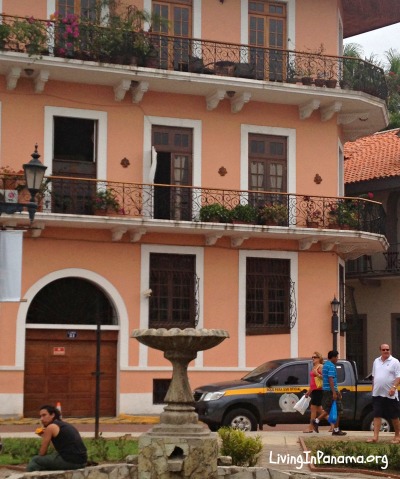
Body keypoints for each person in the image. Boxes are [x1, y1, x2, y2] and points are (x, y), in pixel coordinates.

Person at [26, 405, 87, 472]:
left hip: (71, 462)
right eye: (40, 416)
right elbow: (57, 448)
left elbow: (42, 453)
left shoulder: (51, 427)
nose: (41, 419)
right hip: (82, 461)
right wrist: (44, 436)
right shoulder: (63, 424)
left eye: (44, 415)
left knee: (35, 460)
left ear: (52, 415)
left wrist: (46, 435)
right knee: (53, 455)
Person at [367, 344, 400, 444]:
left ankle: (397, 436)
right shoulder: (376, 361)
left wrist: (394, 387)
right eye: (384, 349)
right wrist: (373, 389)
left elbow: (398, 377)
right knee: (377, 415)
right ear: (380, 350)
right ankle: (375, 437)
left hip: (390, 394)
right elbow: (374, 376)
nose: (386, 351)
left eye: (387, 349)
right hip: (377, 394)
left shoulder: (395, 362)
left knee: (394, 416)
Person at [312, 350, 346, 436]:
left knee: (330, 409)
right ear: (333, 357)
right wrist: (335, 392)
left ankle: (317, 421)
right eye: (337, 357)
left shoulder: (326, 365)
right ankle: (335, 429)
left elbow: (326, 378)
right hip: (331, 391)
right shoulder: (331, 366)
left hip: (327, 390)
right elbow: (331, 379)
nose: (337, 359)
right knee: (337, 409)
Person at [303, 352, 325, 433]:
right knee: (320, 410)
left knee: (313, 409)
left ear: (319, 358)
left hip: (319, 390)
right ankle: (333, 424)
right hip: (314, 390)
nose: (313, 358)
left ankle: (311, 428)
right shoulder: (314, 367)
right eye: (312, 357)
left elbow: (325, 378)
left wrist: (317, 374)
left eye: (315, 357)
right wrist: (309, 392)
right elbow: (313, 382)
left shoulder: (321, 366)